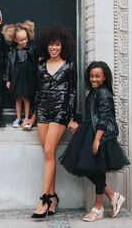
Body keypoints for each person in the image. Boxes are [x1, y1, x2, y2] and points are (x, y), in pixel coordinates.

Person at [59, 61, 130, 222]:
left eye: (97, 76)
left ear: (104, 77)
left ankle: (98, 207)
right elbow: (92, 116)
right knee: (85, 167)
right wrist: (80, 128)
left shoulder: (103, 93)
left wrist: (97, 140)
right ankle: (113, 195)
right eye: (91, 76)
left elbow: (104, 118)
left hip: (101, 136)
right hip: (90, 132)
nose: (93, 79)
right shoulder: (94, 91)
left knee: (98, 170)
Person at [31, 24, 78, 219]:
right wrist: (33, 115)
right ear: (46, 46)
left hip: (61, 111)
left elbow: (73, 92)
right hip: (43, 110)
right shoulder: (40, 66)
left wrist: (72, 117)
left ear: (62, 46)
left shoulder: (69, 65)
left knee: (49, 152)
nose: (54, 48)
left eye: (57, 45)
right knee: (47, 155)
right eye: (51, 44)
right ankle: (53, 197)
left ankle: (43, 199)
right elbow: (38, 91)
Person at [4, 24, 37, 129]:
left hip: (27, 76)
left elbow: (34, 64)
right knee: (18, 98)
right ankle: (18, 118)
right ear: (15, 40)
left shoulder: (30, 50)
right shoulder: (12, 52)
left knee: (26, 98)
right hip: (16, 76)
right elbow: (8, 67)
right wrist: (7, 79)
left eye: (26, 39)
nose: (24, 41)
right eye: (21, 40)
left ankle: (26, 117)